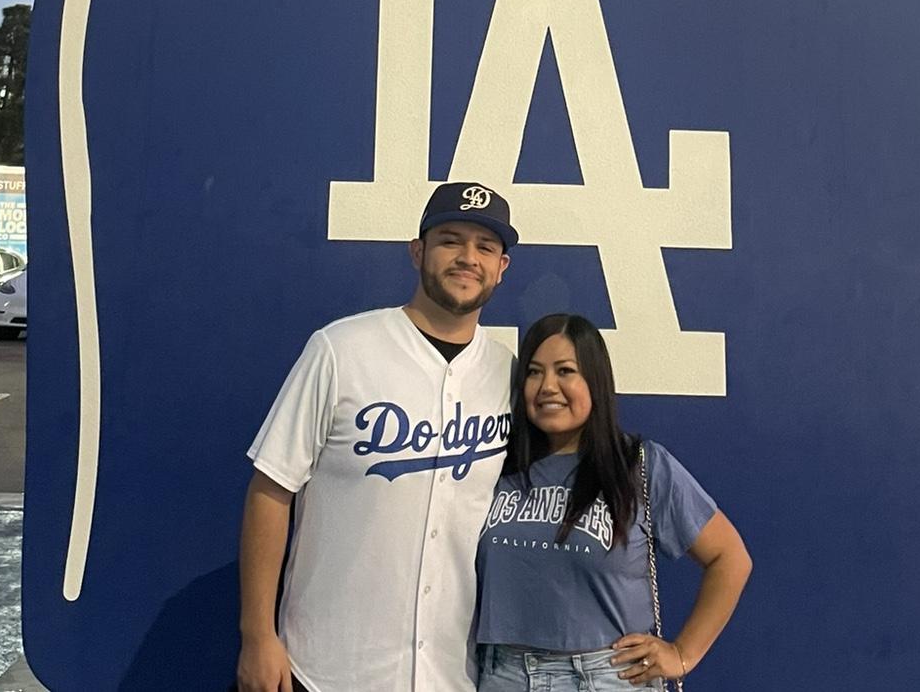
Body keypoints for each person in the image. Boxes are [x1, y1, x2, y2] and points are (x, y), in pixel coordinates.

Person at [235, 182, 520, 692]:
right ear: (418, 251)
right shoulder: (341, 349)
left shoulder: (508, 374)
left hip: (451, 674)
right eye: (451, 240)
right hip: (324, 667)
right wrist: (258, 634)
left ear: (502, 267)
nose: (467, 258)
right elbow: (271, 489)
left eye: (485, 247)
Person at [475, 313, 751, 689]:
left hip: (609, 677)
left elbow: (730, 558)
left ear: (596, 380)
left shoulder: (639, 465)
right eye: (534, 372)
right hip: (503, 675)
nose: (548, 386)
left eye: (565, 371)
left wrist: (683, 654)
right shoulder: (493, 466)